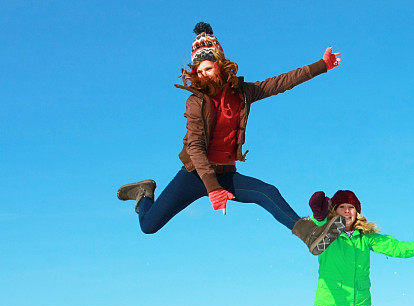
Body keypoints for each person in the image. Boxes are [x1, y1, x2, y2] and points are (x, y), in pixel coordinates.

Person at [117, 22, 344, 254]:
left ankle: (309, 234)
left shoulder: (243, 93)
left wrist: (322, 65)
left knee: (268, 192)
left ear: (220, 65)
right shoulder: (196, 102)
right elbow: (195, 147)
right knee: (148, 226)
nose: (204, 74)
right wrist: (213, 189)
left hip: (225, 174)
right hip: (195, 175)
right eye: (199, 71)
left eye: (208, 68)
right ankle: (144, 192)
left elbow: (280, 83)